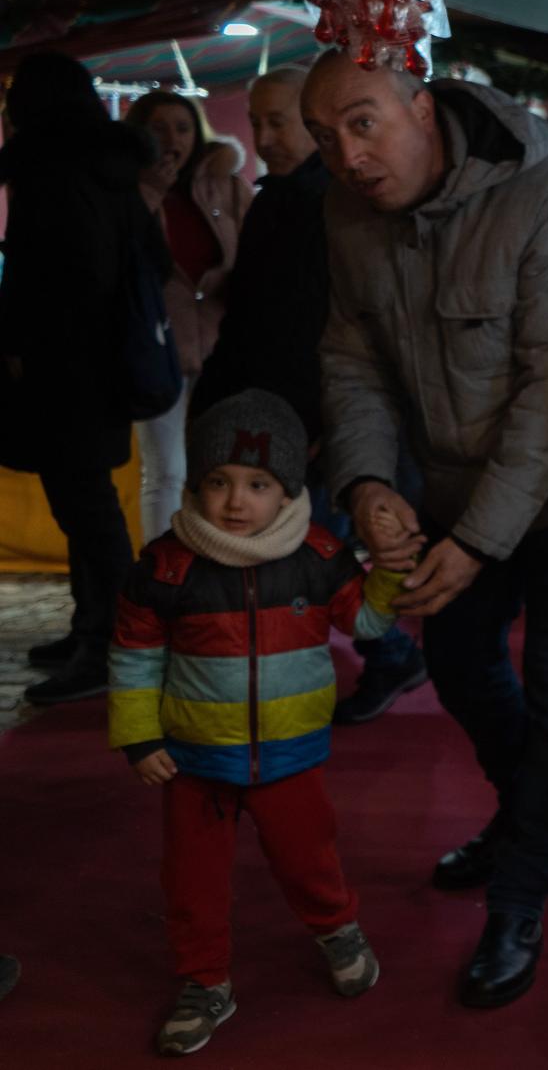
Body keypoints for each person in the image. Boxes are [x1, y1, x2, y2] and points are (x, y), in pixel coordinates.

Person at [304, 48, 548, 1009]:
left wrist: (480, 538)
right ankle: (532, 814)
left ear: (422, 106)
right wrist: (366, 482)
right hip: (448, 481)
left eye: (363, 122)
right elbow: (350, 354)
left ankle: (520, 895)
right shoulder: (348, 210)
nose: (347, 154)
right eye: (326, 135)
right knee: (456, 658)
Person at [108, 390, 392, 1056]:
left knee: (308, 856)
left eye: (258, 484)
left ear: (288, 486)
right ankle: (203, 979)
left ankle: (337, 926)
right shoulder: (164, 565)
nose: (236, 501)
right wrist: (139, 737)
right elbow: (134, 658)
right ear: (196, 484)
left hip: (291, 756)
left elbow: (370, 621)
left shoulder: (320, 557)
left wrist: (393, 572)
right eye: (218, 482)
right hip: (193, 761)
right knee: (192, 878)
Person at [193, 67, 428, 724]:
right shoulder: (284, 198)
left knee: (308, 557)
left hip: (312, 420)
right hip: (278, 415)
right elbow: (256, 324)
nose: (264, 137)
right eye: (259, 121)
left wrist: (311, 425)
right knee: (301, 556)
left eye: (280, 122)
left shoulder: (328, 205)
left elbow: (326, 332)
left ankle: (381, 660)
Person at [0, 52, 166, 706]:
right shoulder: (110, 169)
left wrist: (17, 343)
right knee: (85, 506)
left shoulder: (56, 171)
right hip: (102, 365)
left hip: (66, 370)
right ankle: (93, 629)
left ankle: (117, 642)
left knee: (89, 512)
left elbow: (61, 277)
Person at [129, 91, 254, 543]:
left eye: (182, 128)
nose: (171, 139)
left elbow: (253, 261)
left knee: (220, 467)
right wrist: (148, 192)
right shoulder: (126, 192)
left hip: (223, 348)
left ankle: (213, 569)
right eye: (158, 128)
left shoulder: (228, 188)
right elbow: (125, 260)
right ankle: (160, 578)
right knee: (167, 471)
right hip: (158, 350)